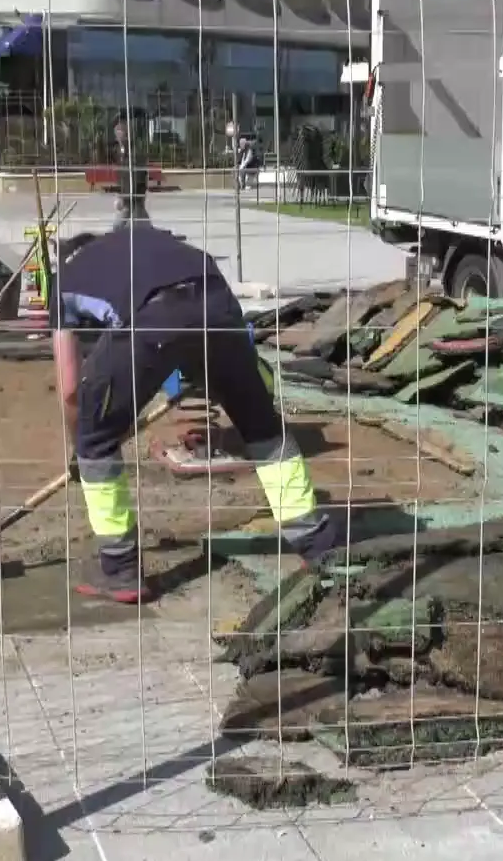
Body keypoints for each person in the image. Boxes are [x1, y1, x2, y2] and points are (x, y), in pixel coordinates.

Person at [49, 224, 346, 603]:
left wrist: (84, 445)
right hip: (217, 302)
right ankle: (317, 544)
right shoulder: (138, 241)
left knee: (94, 436)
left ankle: (120, 568)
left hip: (154, 319)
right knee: (261, 427)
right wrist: (204, 367)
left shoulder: (65, 282)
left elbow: (71, 389)